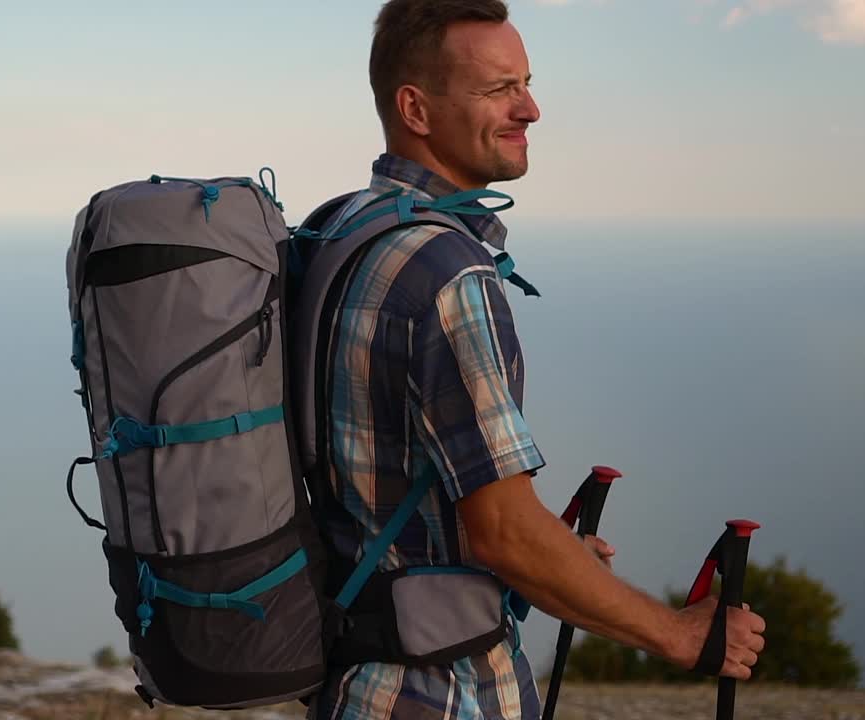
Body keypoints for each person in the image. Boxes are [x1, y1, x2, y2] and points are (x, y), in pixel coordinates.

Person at [306, 1, 767, 718]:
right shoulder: (448, 274)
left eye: (526, 83)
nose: (532, 109)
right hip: (439, 693)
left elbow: (394, 482)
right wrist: (680, 635)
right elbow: (506, 534)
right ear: (416, 110)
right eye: (500, 90)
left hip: (353, 681)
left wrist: (555, 555)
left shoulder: (341, 230)